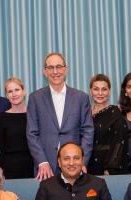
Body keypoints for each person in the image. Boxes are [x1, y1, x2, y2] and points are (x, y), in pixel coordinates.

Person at [27, 52, 94, 180]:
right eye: (50, 68)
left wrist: (81, 161)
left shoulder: (81, 98)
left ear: (66, 69)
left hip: (74, 165)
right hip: (45, 168)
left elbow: (88, 132)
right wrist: (41, 161)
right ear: (45, 71)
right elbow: (32, 133)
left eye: (59, 66)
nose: (55, 71)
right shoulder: (35, 98)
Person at [87, 74, 128, 175]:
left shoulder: (116, 113)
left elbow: (119, 144)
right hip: (86, 165)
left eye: (104, 89)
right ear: (91, 91)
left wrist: (109, 170)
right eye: (96, 89)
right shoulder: (85, 113)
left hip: (106, 168)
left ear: (109, 92)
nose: (100, 93)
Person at [0, 77, 34, 179]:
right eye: (10, 91)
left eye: (17, 90)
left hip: (33, 167)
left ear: (24, 91)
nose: (14, 94)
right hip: (9, 170)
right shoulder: (0, 118)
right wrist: (0, 173)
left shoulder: (34, 115)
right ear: (7, 95)